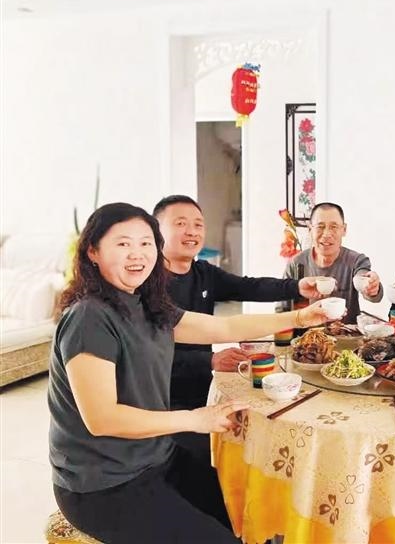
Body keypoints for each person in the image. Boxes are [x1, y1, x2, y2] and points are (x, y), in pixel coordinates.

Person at [48, 203, 329, 544]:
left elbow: (224, 327)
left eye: (146, 243)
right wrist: (195, 419)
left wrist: (299, 318)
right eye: (123, 244)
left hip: (156, 457)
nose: (137, 254)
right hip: (103, 483)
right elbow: (102, 419)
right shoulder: (89, 317)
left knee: (249, 514)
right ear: (93, 251)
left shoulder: (147, 305)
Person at [152, 195, 321, 411]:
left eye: (198, 224)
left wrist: (297, 287)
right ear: (156, 231)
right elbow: (147, 352)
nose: (192, 231)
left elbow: (249, 287)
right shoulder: (146, 284)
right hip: (160, 399)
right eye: (180, 223)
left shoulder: (203, 273)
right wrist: (209, 360)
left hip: (202, 390)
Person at [277, 202, 382, 323]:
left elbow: (364, 278)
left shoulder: (356, 260)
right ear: (310, 229)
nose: (326, 234)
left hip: (346, 333)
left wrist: (371, 286)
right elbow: (282, 307)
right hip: (306, 333)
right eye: (320, 227)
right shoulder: (296, 263)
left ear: (344, 230)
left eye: (334, 227)